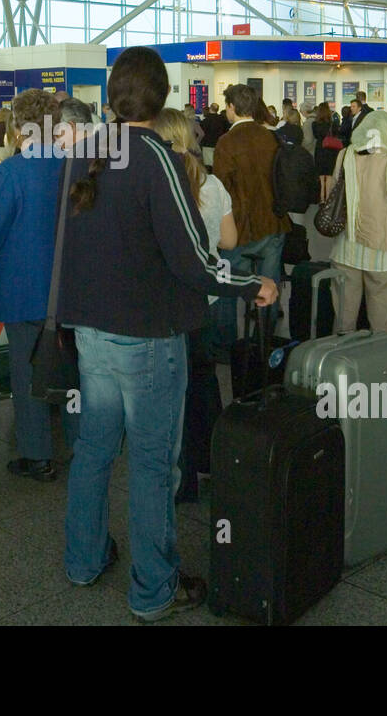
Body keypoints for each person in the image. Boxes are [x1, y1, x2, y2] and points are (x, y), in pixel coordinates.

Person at [57, 47, 276, 622]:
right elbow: (193, 259)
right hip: (148, 337)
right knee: (154, 463)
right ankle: (154, 588)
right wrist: (252, 285)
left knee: (94, 449)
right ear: (162, 97)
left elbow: (70, 244)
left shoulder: (84, 153)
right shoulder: (157, 158)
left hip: (90, 332)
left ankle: (83, 559)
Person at [0, 90, 78, 483]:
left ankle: (37, 455)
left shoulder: (13, 171)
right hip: (71, 288)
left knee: (27, 375)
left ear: (17, 127)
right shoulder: (74, 165)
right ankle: (82, 449)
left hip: (23, 290)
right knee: (70, 371)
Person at [155, 107, 236, 502]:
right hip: (206, 297)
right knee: (205, 382)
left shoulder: (158, 183)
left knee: (174, 393)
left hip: (168, 301)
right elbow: (230, 242)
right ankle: (216, 462)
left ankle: (181, 481)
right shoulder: (213, 185)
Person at [327, 110, 387, 333]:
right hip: (381, 249)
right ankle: (379, 363)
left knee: (344, 317)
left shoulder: (345, 155)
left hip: (346, 247)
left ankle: (342, 361)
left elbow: (334, 192)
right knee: (382, 319)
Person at [213, 83, 290, 340]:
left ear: (232, 107)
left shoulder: (227, 142)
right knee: (268, 285)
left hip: (239, 228)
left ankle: (225, 343)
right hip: (273, 222)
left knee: (224, 282)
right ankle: (265, 340)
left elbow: (221, 189)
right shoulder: (270, 136)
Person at [310, 101, 340, 202]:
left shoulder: (314, 124)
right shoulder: (333, 124)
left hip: (320, 150)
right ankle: (328, 199)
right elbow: (336, 135)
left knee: (322, 177)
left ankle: (321, 198)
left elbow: (315, 136)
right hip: (331, 151)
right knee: (330, 177)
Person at [199, 102, 228, 167]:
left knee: (209, 165)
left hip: (208, 145)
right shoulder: (222, 120)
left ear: (210, 109)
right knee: (218, 164)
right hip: (219, 144)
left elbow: (201, 132)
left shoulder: (205, 121)